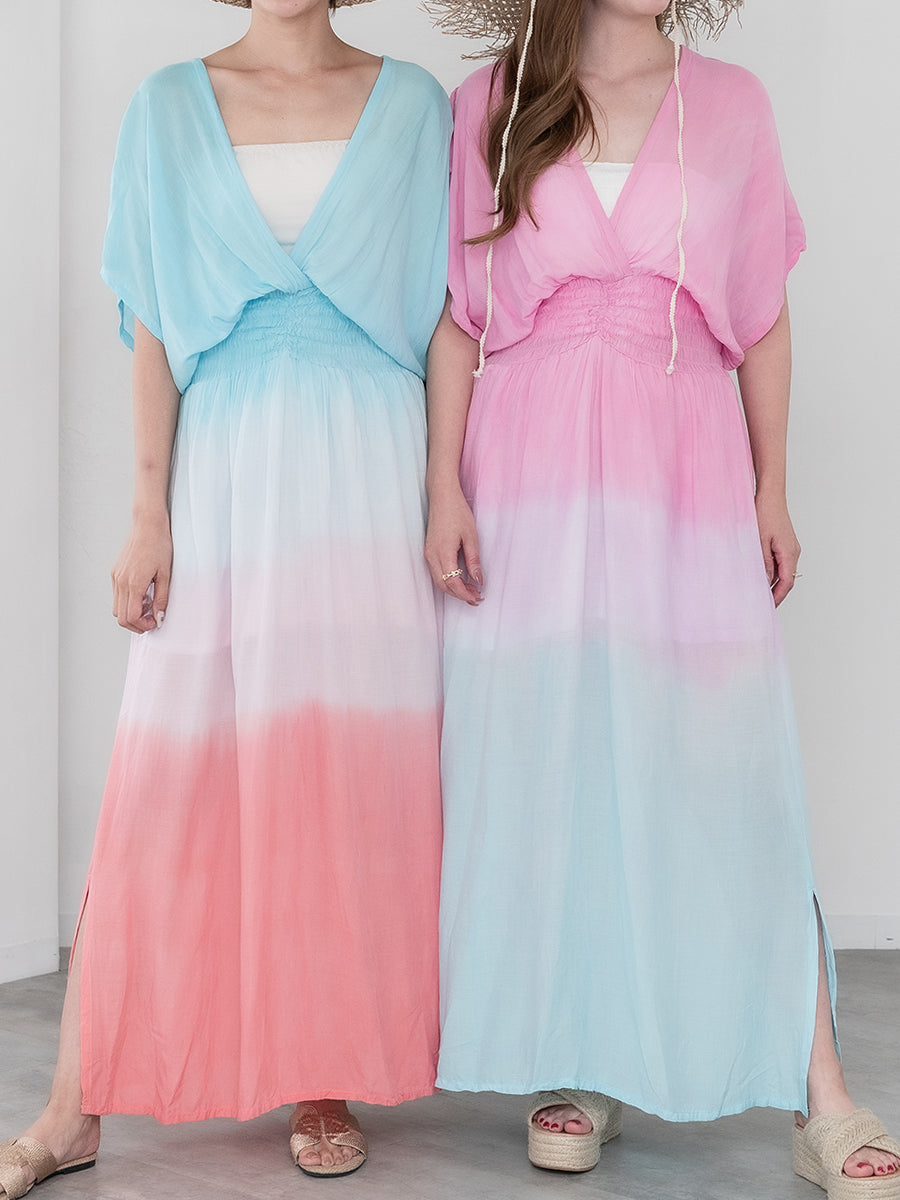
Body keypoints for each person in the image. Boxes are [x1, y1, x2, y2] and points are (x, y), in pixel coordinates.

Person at [424, 0, 900, 1191]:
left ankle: (821, 1091)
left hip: (683, 468)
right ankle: (583, 1057)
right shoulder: (488, 105)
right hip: (527, 475)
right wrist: (441, 489)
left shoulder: (732, 107)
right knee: (557, 761)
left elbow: (763, 317)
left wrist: (773, 488)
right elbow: (456, 320)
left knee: (726, 768)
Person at [0, 1, 450, 1193]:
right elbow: (152, 324)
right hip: (226, 471)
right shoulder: (166, 106)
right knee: (167, 777)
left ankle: (323, 1071)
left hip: (368, 468)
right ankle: (73, 1104)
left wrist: (445, 490)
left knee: (340, 774)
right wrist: (147, 512)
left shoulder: (414, 105)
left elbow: (454, 312)